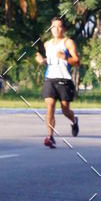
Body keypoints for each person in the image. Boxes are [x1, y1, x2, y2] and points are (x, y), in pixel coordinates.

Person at [35, 18, 80, 148]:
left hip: (64, 79)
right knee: (50, 106)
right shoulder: (47, 44)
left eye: (59, 26)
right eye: (53, 27)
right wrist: (42, 61)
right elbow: (49, 60)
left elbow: (77, 61)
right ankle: (50, 136)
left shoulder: (68, 43)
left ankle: (74, 120)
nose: (56, 29)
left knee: (65, 109)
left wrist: (65, 57)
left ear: (63, 29)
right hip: (50, 79)